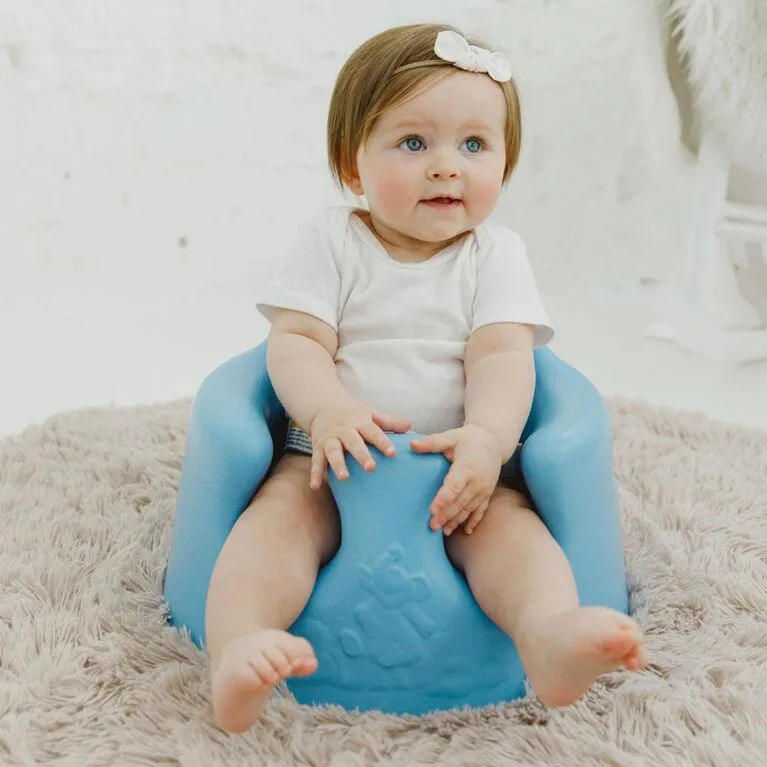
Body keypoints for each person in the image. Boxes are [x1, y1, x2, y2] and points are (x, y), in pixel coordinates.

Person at [205, 22, 646, 733]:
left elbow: (503, 357)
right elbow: (293, 344)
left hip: (456, 473)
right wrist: (326, 414)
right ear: (353, 165)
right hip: (328, 461)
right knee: (269, 533)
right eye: (414, 143)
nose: (447, 166)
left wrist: (487, 440)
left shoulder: (494, 255)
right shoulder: (332, 240)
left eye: (473, 145)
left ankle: (547, 634)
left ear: (503, 162)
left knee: (515, 540)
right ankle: (239, 645)